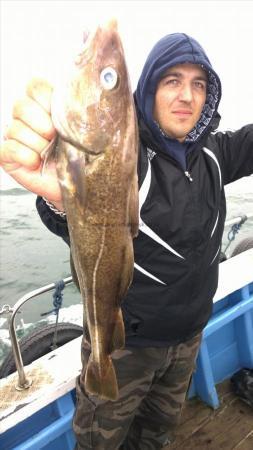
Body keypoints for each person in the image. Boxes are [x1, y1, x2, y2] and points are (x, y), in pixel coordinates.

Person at [1, 32, 253, 450]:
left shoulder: (215, 153)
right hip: (124, 347)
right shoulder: (124, 159)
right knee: (99, 442)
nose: (186, 95)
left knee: (157, 435)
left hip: (189, 339)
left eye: (198, 84)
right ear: (149, 88)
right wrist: (64, 197)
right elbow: (81, 210)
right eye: (172, 80)